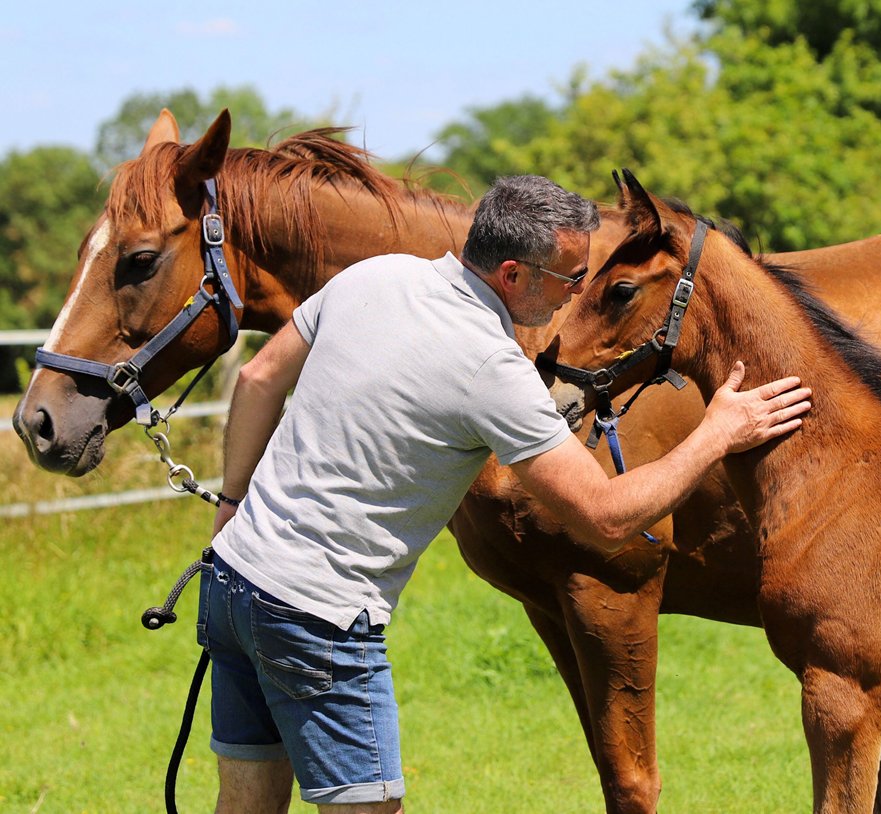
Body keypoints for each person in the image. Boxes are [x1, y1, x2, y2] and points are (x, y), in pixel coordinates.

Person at [200, 174, 812, 814]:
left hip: (232, 578)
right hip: (318, 617)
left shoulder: (377, 275)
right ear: (514, 274)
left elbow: (259, 377)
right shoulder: (491, 368)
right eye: (572, 278)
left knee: (244, 805)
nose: (578, 295)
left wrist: (233, 505)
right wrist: (717, 434)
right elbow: (607, 517)